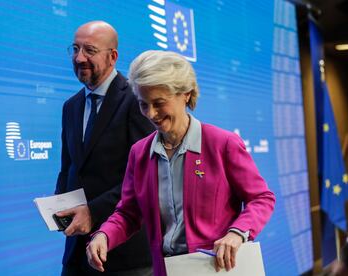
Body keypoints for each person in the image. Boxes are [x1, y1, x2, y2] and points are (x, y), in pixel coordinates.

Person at [86, 50, 276, 276]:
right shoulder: (139, 153)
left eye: (159, 103)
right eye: (143, 104)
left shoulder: (222, 143)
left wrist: (238, 232)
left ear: (185, 94)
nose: (151, 114)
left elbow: (261, 198)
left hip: (218, 269)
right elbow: (129, 212)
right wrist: (104, 235)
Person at [55, 21, 154, 275]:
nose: (79, 58)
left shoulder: (137, 99)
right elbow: (70, 167)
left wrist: (93, 211)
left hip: (124, 254)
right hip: (77, 253)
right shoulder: (71, 106)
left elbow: (145, 175)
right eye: (75, 49)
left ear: (113, 56)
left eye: (89, 50)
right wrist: (58, 205)